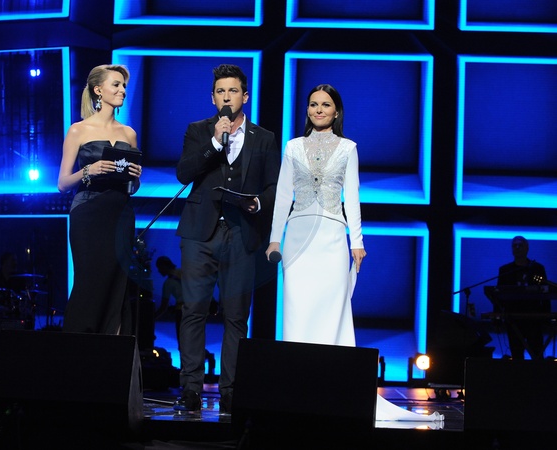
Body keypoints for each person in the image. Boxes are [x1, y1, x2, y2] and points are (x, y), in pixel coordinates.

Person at [266, 84, 441, 423]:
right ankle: (298, 391)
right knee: (297, 312)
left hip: (333, 238)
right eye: (313, 104)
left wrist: (356, 242)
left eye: (325, 104)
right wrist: (275, 239)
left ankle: (334, 389)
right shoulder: (293, 146)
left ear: (336, 112)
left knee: (333, 311)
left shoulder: (348, 148)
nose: (318, 109)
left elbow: (353, 196)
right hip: (298, 238)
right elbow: (283, 195)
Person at [173, 64, 281, 414]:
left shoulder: (264, 137)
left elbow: (275, 186)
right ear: (212, 97)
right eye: (220, 91)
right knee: (193, 311)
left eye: (233, 91)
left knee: (236, 316)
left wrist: (258, 203)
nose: (226, 97)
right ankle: (191, 388)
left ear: (244, 96)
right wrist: (213, 143)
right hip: (199, 233)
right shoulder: (198, 130)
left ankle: (231, 390)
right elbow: (184, 173)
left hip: (241, 233)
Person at [58, 64, 143, 334]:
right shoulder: (78, 130)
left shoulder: (129, 133)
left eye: (124, 86)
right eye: (116, 84)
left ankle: (112, 350)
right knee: (89, 283)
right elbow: (62, 184)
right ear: (98, 90)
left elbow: (133, 187)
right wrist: (89, 170)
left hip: (120, 214)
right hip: (88, 212)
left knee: (117, 285)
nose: (122, 90)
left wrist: (135, 177)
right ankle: (79, 349)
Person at [496, 235, 549, 360]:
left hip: (534, 318)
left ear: (527, 248)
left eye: (520, 245)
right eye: (514, 245)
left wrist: (546, 316)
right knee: (517, 356)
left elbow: (546, 293)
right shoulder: (505, 270)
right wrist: (497, 317)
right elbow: (498, 295)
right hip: (513, 318)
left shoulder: (537, 268)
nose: (517, 247)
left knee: (537, 354)